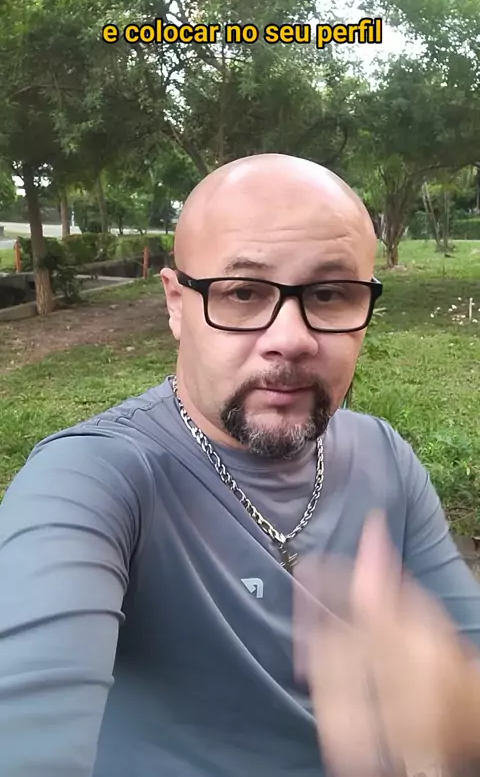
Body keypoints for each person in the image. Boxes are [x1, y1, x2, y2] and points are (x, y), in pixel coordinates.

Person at [0, 153, 480, 777]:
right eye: (243, 293)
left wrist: (457, 711)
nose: (292, 338)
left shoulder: (384, 455)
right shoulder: (93, 477)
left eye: (329, 294)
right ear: (177, 303)